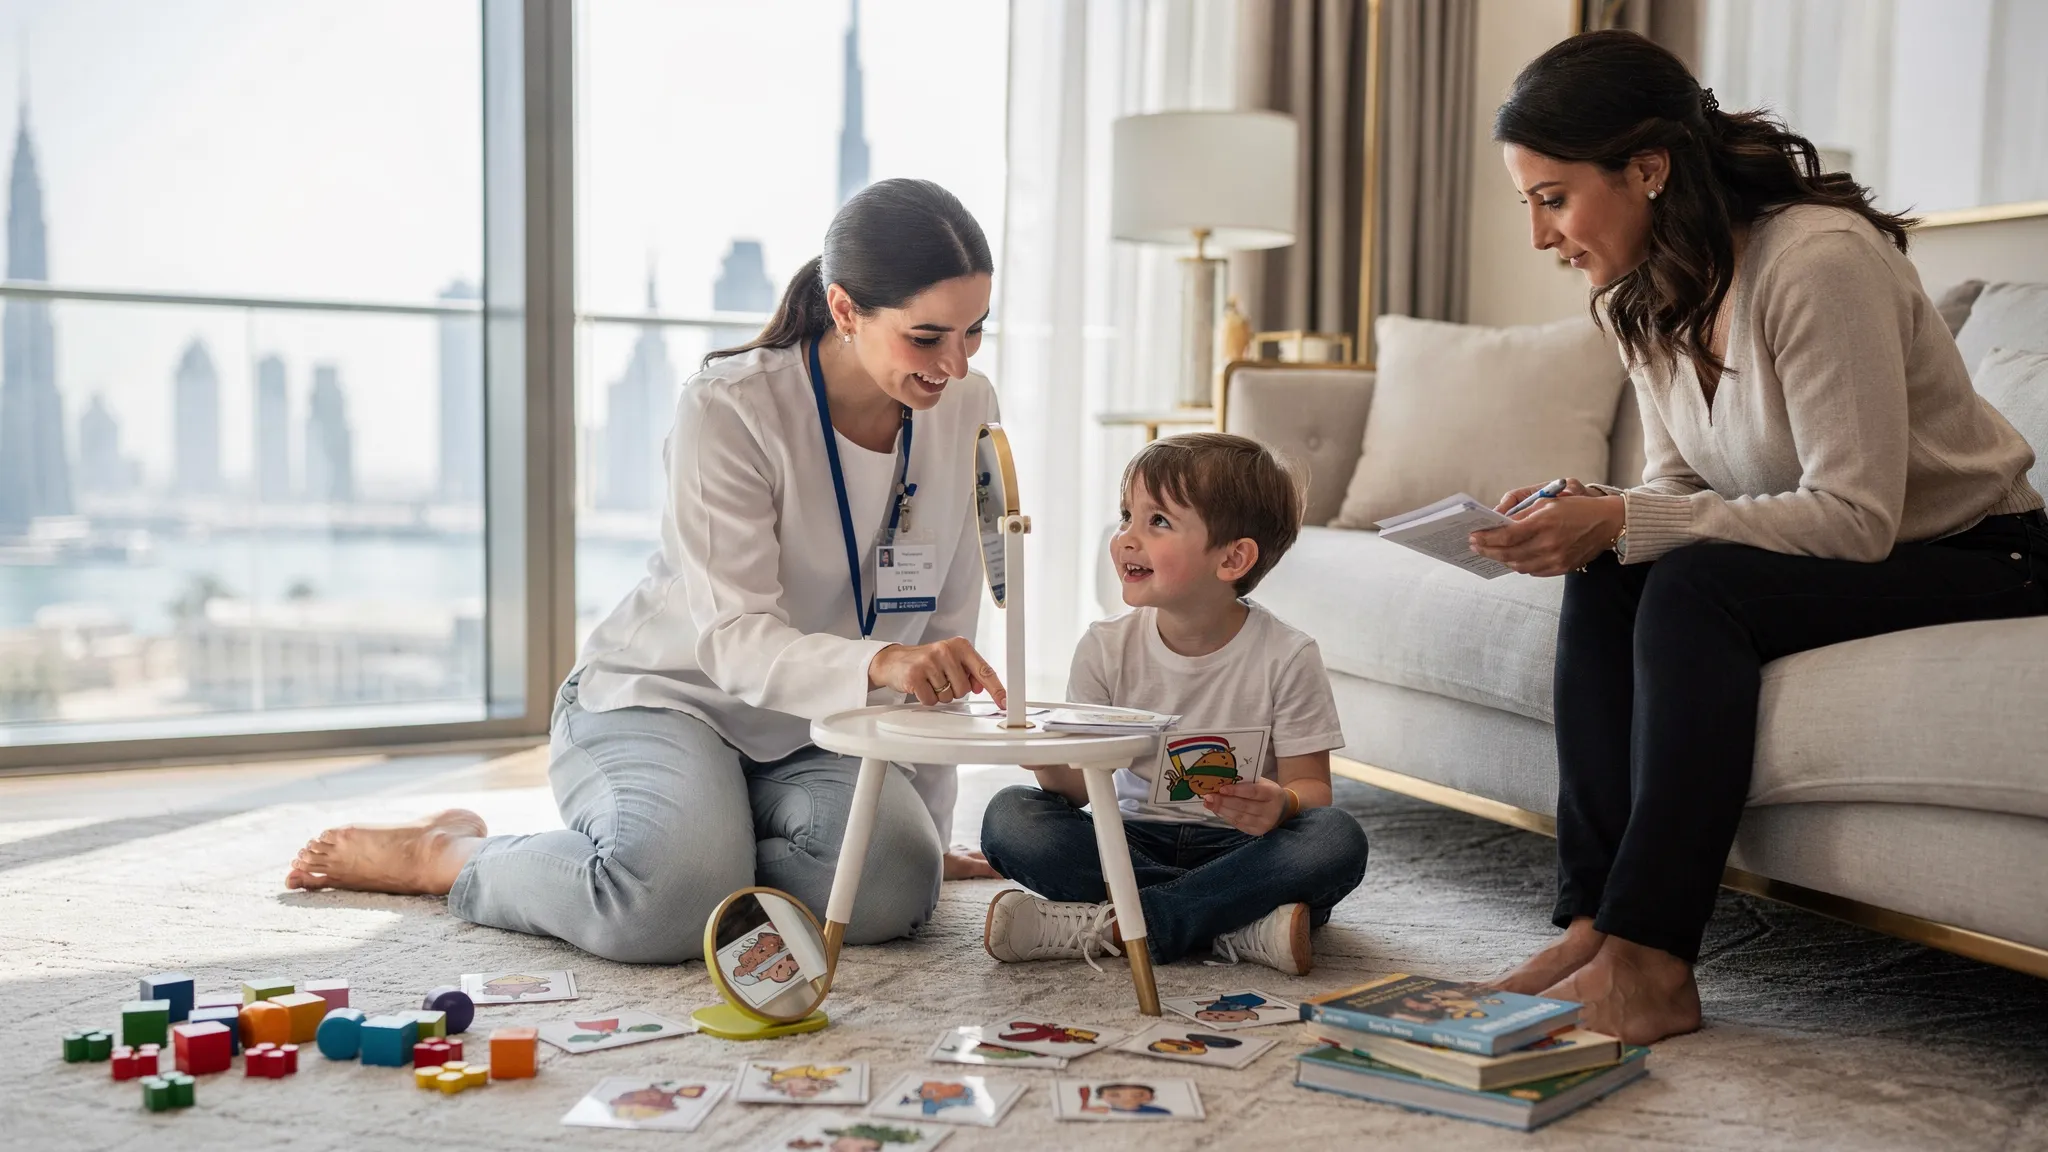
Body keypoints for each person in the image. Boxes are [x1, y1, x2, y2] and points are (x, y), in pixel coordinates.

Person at [1468, 31, 2047, 1043]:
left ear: (1647, 168)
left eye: (1551, 198)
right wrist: (1599, 510)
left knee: (1692, 587)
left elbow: (1855, 516)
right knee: (1609, 568)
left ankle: (1652, 962)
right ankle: (1597, 924)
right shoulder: (1637, 293)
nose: (1537, 235)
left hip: (1980, 551)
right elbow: (1680, 487)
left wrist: (1628, 518)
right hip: (1858, 546)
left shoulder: (1818, 261)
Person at [284, 179, 1015, 962]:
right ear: (845, 310)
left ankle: (702, 843)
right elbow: (735, 639)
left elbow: (948, 628)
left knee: (894, 892)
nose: (954, 363)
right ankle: (449, 855)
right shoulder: (732, 407)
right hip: (667, 697)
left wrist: (925, 832)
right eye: (927, 337)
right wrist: (881, 662)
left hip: (810, 732)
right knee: (664, 910)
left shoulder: (968, 407)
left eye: (974, 331)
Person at [978, 433, 1369, 977]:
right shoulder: (1105, 646)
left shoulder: (1289, 655)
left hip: (1243, 847)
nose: (1125, 538)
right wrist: (1044, 758)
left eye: (1157, 521)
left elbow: (1314, 789)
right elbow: (1077, 789)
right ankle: (1234, 924)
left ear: (1233, 558)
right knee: (1011, 816)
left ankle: (1120, 925)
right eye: (1126, 516)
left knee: (1335, 838)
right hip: (1130, 839)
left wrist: (1282, 804)